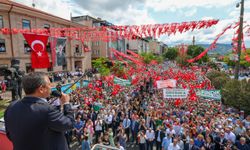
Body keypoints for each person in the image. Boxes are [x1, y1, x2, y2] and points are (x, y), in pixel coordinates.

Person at [4, 72, 75, 150]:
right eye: (49, 84)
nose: (51, 86)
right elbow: (69, 124)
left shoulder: (11, 107)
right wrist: (66, 103)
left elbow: (9, 134)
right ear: (41, 89)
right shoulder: (47, 110)